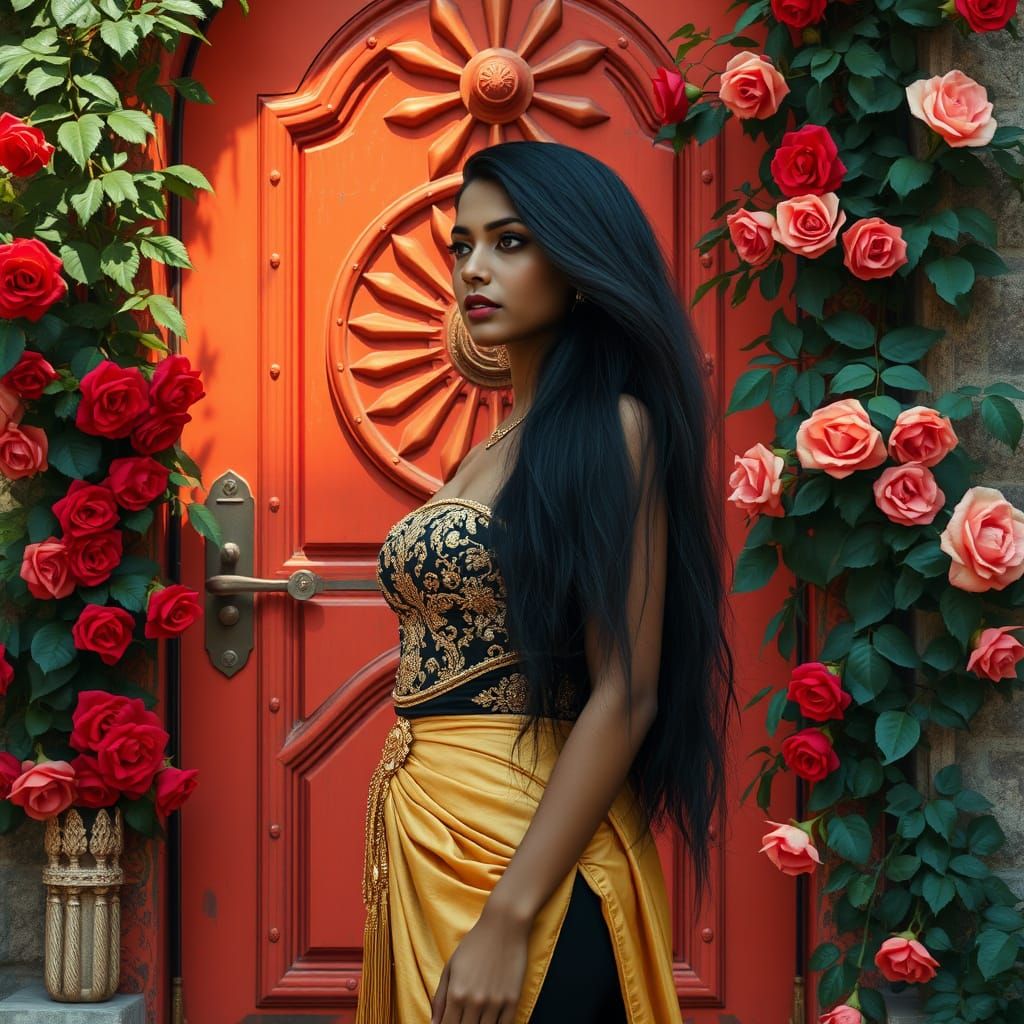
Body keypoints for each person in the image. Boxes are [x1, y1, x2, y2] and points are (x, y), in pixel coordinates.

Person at [356, 140, 737, 1024]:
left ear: (576, 264)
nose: (473, 270)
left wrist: (509, 916)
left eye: (511, 242)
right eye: (462, 245)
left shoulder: (614, 428)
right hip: (425, 838)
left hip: (526, 856)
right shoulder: (491, 446)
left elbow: (628, 693)